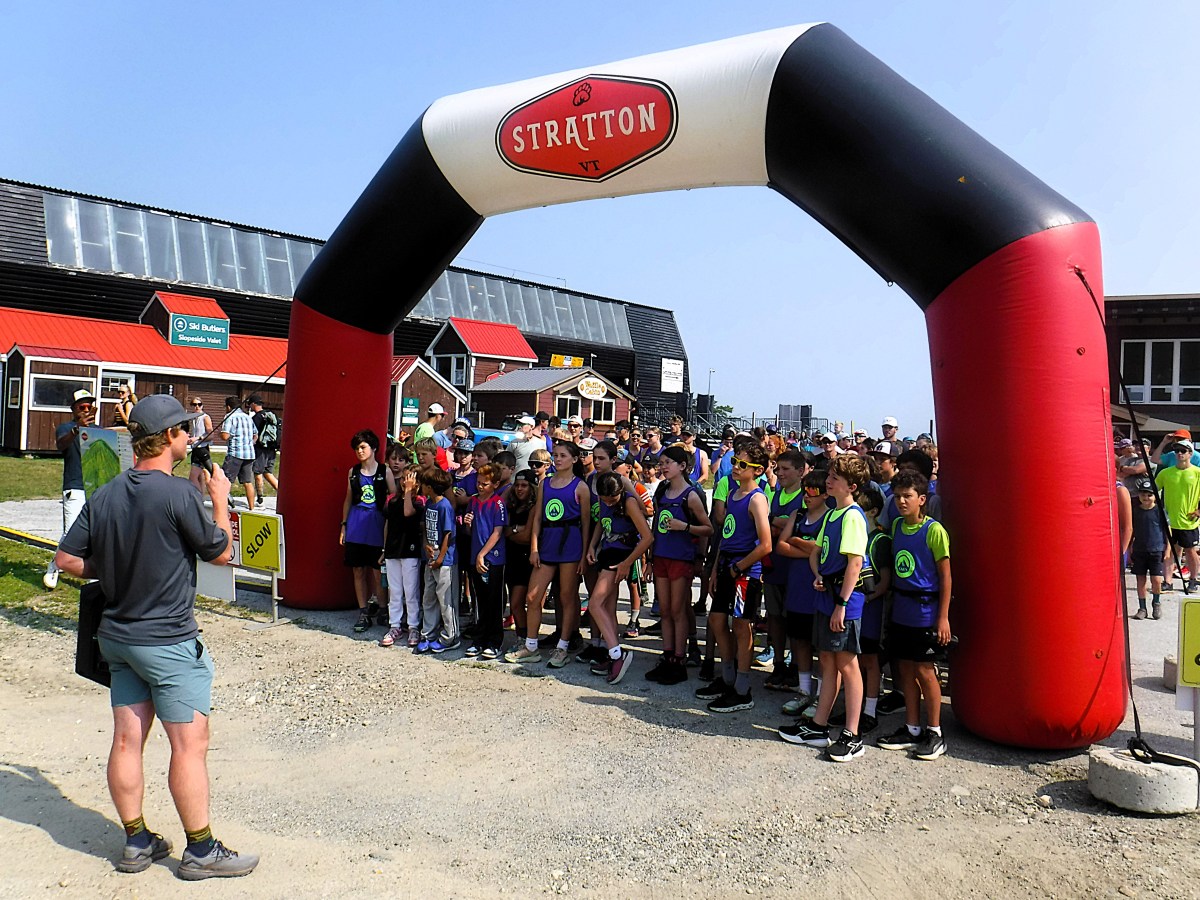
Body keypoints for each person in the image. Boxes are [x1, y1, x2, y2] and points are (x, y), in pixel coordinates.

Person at [53, 394, 257, 880]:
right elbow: (222, 553)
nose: (190, 437)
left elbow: (65, 559)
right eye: (186, 430)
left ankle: (136, 840)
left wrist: (112, 566)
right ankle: (202, 850)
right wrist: (220, 499)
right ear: (168, 437)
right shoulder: (181, 496)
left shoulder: (106, 493)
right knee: (190, 745)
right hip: (168, 641)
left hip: (118, 638)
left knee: (127, 740)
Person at [781, 454, 871, 763]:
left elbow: (855, 563)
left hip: (843, 602)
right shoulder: (833, 514)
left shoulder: (853, 517)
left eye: (835, 477)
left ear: (852, 486)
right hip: (827, 595)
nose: (828, 481)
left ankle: (852, 734)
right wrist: (819, 575)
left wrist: (842, 605)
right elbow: (817, 551)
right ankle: (819, 726)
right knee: (829, 662)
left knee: (848, 664)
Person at [877, 471, 953, 761]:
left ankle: (935, 732)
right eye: (897, 496)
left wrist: (942, 617)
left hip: (925, 611)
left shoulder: (934, 530)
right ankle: (912, 728)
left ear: (922, 499)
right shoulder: (895, 527)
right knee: (905, 670)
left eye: (907, 496)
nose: (901, 501)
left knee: (925, 671)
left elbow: (945, 576)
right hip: (902, 609)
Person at [697, 441, 772, 713]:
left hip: (745, 571)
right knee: (716, 621)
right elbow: (725, 536)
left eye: (743, 464)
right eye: (735, 462)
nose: (736, 468)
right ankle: (727, 679)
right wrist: (717, 569)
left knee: (742, 626)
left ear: (758, 470)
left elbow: (765, 544)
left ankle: (742, 689)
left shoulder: (757, 498)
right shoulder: (732, 494)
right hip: (726, 565)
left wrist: (739, 567)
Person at [504, 441, 591, 668]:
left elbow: (585, 523)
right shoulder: (545, 484)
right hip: (547, 546)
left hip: (570, 547)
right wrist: (534, 548)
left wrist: (582, 556)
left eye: (562, 455)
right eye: (556, 455)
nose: (558, 459)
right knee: (532, 597)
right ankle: (531, 646)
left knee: (566, 596)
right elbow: (538, 520)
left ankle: (562, 647)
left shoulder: (581, 487)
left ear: (574, 459)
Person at [646, 445, 713, 685]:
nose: (662, 467)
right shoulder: (662, 491)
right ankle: (667, 657)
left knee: (677, 610)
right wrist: (650, 558)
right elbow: (656, 527)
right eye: (661, 463)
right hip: (662, 556)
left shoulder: (691, 495)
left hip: (681, 558)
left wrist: (684, 528)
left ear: (682, 466)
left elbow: (708, 528)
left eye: (667, 463)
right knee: (664, 610)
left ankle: (679, 658)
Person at [584, 471, 653, 683]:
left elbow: (647, 538)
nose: (609, 503)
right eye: (605, 499)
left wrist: (627, 562)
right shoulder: (603, 497)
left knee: (595, 605)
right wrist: (592, 546)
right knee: (607, 608)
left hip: (621, 554)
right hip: (607, 549)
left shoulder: (629, 502)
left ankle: (616, 654)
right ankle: (612, 653)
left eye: (612, 499)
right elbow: (600, 522)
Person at [341, 429, 395, 634]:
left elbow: (393, 498)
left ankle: (382, 607)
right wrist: (344, 525)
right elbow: (347, 499)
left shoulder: (385, 471)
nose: (359, 451)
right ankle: (363, 610)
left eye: (363, 447)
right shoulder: (352, 472)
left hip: (377, 525)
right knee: (357, 569)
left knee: (376, 569)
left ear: (373, 448)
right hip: (356, 524)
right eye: (356, 448)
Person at [763, 449, 808, 692]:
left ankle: (795, 666)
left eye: (785, 469)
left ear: (801, 472)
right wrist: (780, 524)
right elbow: (770, 525)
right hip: (774, 565)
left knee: (794, 620)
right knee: (774, 617)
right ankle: (779, 663)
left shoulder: (805, 496)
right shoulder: (775, 493)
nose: (779, 473)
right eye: (778, 469)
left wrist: (779, 524)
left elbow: (796, 530)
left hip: (795, 568)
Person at [43, 388, 95, 590]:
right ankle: (54, 566)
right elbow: (60, 445)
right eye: (82, 407)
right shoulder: (66, 428)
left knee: (96, 533)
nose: (86, 410)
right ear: (73, 409)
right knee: (72, 532)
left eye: (90, 406)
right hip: (75, 486)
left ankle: (93, 574)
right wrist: (77, 430)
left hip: (95, 486)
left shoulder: (98, 429)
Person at [380, 445, 425, 648]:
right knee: (395, 590)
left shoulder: (419, 501)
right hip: (393, 550)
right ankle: (395, 624)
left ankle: (413, 625)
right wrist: (384, 549)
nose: (405, 482)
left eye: (410, 479)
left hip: (411, 550)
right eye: (405, 479)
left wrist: (408, 492)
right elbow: (388, 524)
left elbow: (408, 513)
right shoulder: (392, 499)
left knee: (411, 590)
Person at [464, 462, 508, 658]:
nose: (480, 486)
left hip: (493, 559)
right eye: (479, 483)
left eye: (485, 484)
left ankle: (495, 641)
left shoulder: (498, 503)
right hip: (475, 557)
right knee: (479, 600)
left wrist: (483, 553)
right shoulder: (473, 501)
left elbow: (498, 532)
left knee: (494, 601)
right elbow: (470, 531)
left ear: (495, 484)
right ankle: (479, 639)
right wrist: (467, 524)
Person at [416, 466, 459, 653]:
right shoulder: (429, 504)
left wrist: (441, 558)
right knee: (429, 597)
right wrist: (426, 544)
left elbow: (448, 534)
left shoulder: (444, 506)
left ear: (430, 487)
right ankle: (428, 633)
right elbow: (426, 527)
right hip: (430, 559)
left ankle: (451, 636)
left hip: (445, 562)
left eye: (423, 485)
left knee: (446, 600)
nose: (421, 487)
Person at [1155, 438, 1200, 592]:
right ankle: (1168, 582)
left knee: (1190, 551)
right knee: (1169, 551)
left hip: (1189, 521)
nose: (1179, 454)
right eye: (1177, 451)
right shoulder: (1166, 473)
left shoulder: (1197, 472)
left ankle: (1193, 579)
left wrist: (1199, 511)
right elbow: (1153, 491)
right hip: (1169, 520)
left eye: (1183, 451)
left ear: (1190, 454)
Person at [504, 470, 538, 638]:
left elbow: (526, 537)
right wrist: (516, 530)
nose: (519, 489)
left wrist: (511, 531)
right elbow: (504, 531)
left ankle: (526, 639)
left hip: (526, 560)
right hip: (511, 558)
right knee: (514, 604)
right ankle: (521, 636)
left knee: (518, 603)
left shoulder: (534, 507)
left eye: (524, 485)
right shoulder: (511, 505)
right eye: (517, 485)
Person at [1130, 477, 1167, 620]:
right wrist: (1129, 546)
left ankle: (1156, 603)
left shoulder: (1159, 511)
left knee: (1156, 580)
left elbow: (1167, 531)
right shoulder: (1136, 511)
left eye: (1149, 494)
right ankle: (1142, 607)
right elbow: (1131, 529)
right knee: (1140, 580)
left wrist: (1168, 549)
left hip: (1156, 549)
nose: (1146, 497)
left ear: (1155, 497)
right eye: (1143, 494)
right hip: (1139, 549)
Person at [219, 396, 257, 510]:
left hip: (235, 453)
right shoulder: (248, 417)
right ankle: (251, 507)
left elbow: (225, 436)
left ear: (229, 406)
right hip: (249, 453)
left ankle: (223, 507)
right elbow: (256, 434)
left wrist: (220, 434)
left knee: (226, 481)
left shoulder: (230, 417)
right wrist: (251, 443)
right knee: (248, 482)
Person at [247, 394, 280, 505]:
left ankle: (260, 498)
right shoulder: (271, 414)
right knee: (268, 473)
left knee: (258, 472)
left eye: (250, 404)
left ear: (253, 404)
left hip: (261, 449)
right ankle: (281, 493)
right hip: (272, 448)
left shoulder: (256, 418)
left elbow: (253, 434)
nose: (249, 407)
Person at [185, 397, 214, 496]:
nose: (197, 407)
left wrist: (197, 438)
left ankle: (197, 496)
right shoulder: (193, 418)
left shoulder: (205, 417)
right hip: (195, 449)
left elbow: (211, 434)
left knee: (196, 477)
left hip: (202, 449)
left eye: (199, 404)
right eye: (194, 404)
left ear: (202, 405)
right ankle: (201, 498)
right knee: (199, 475)